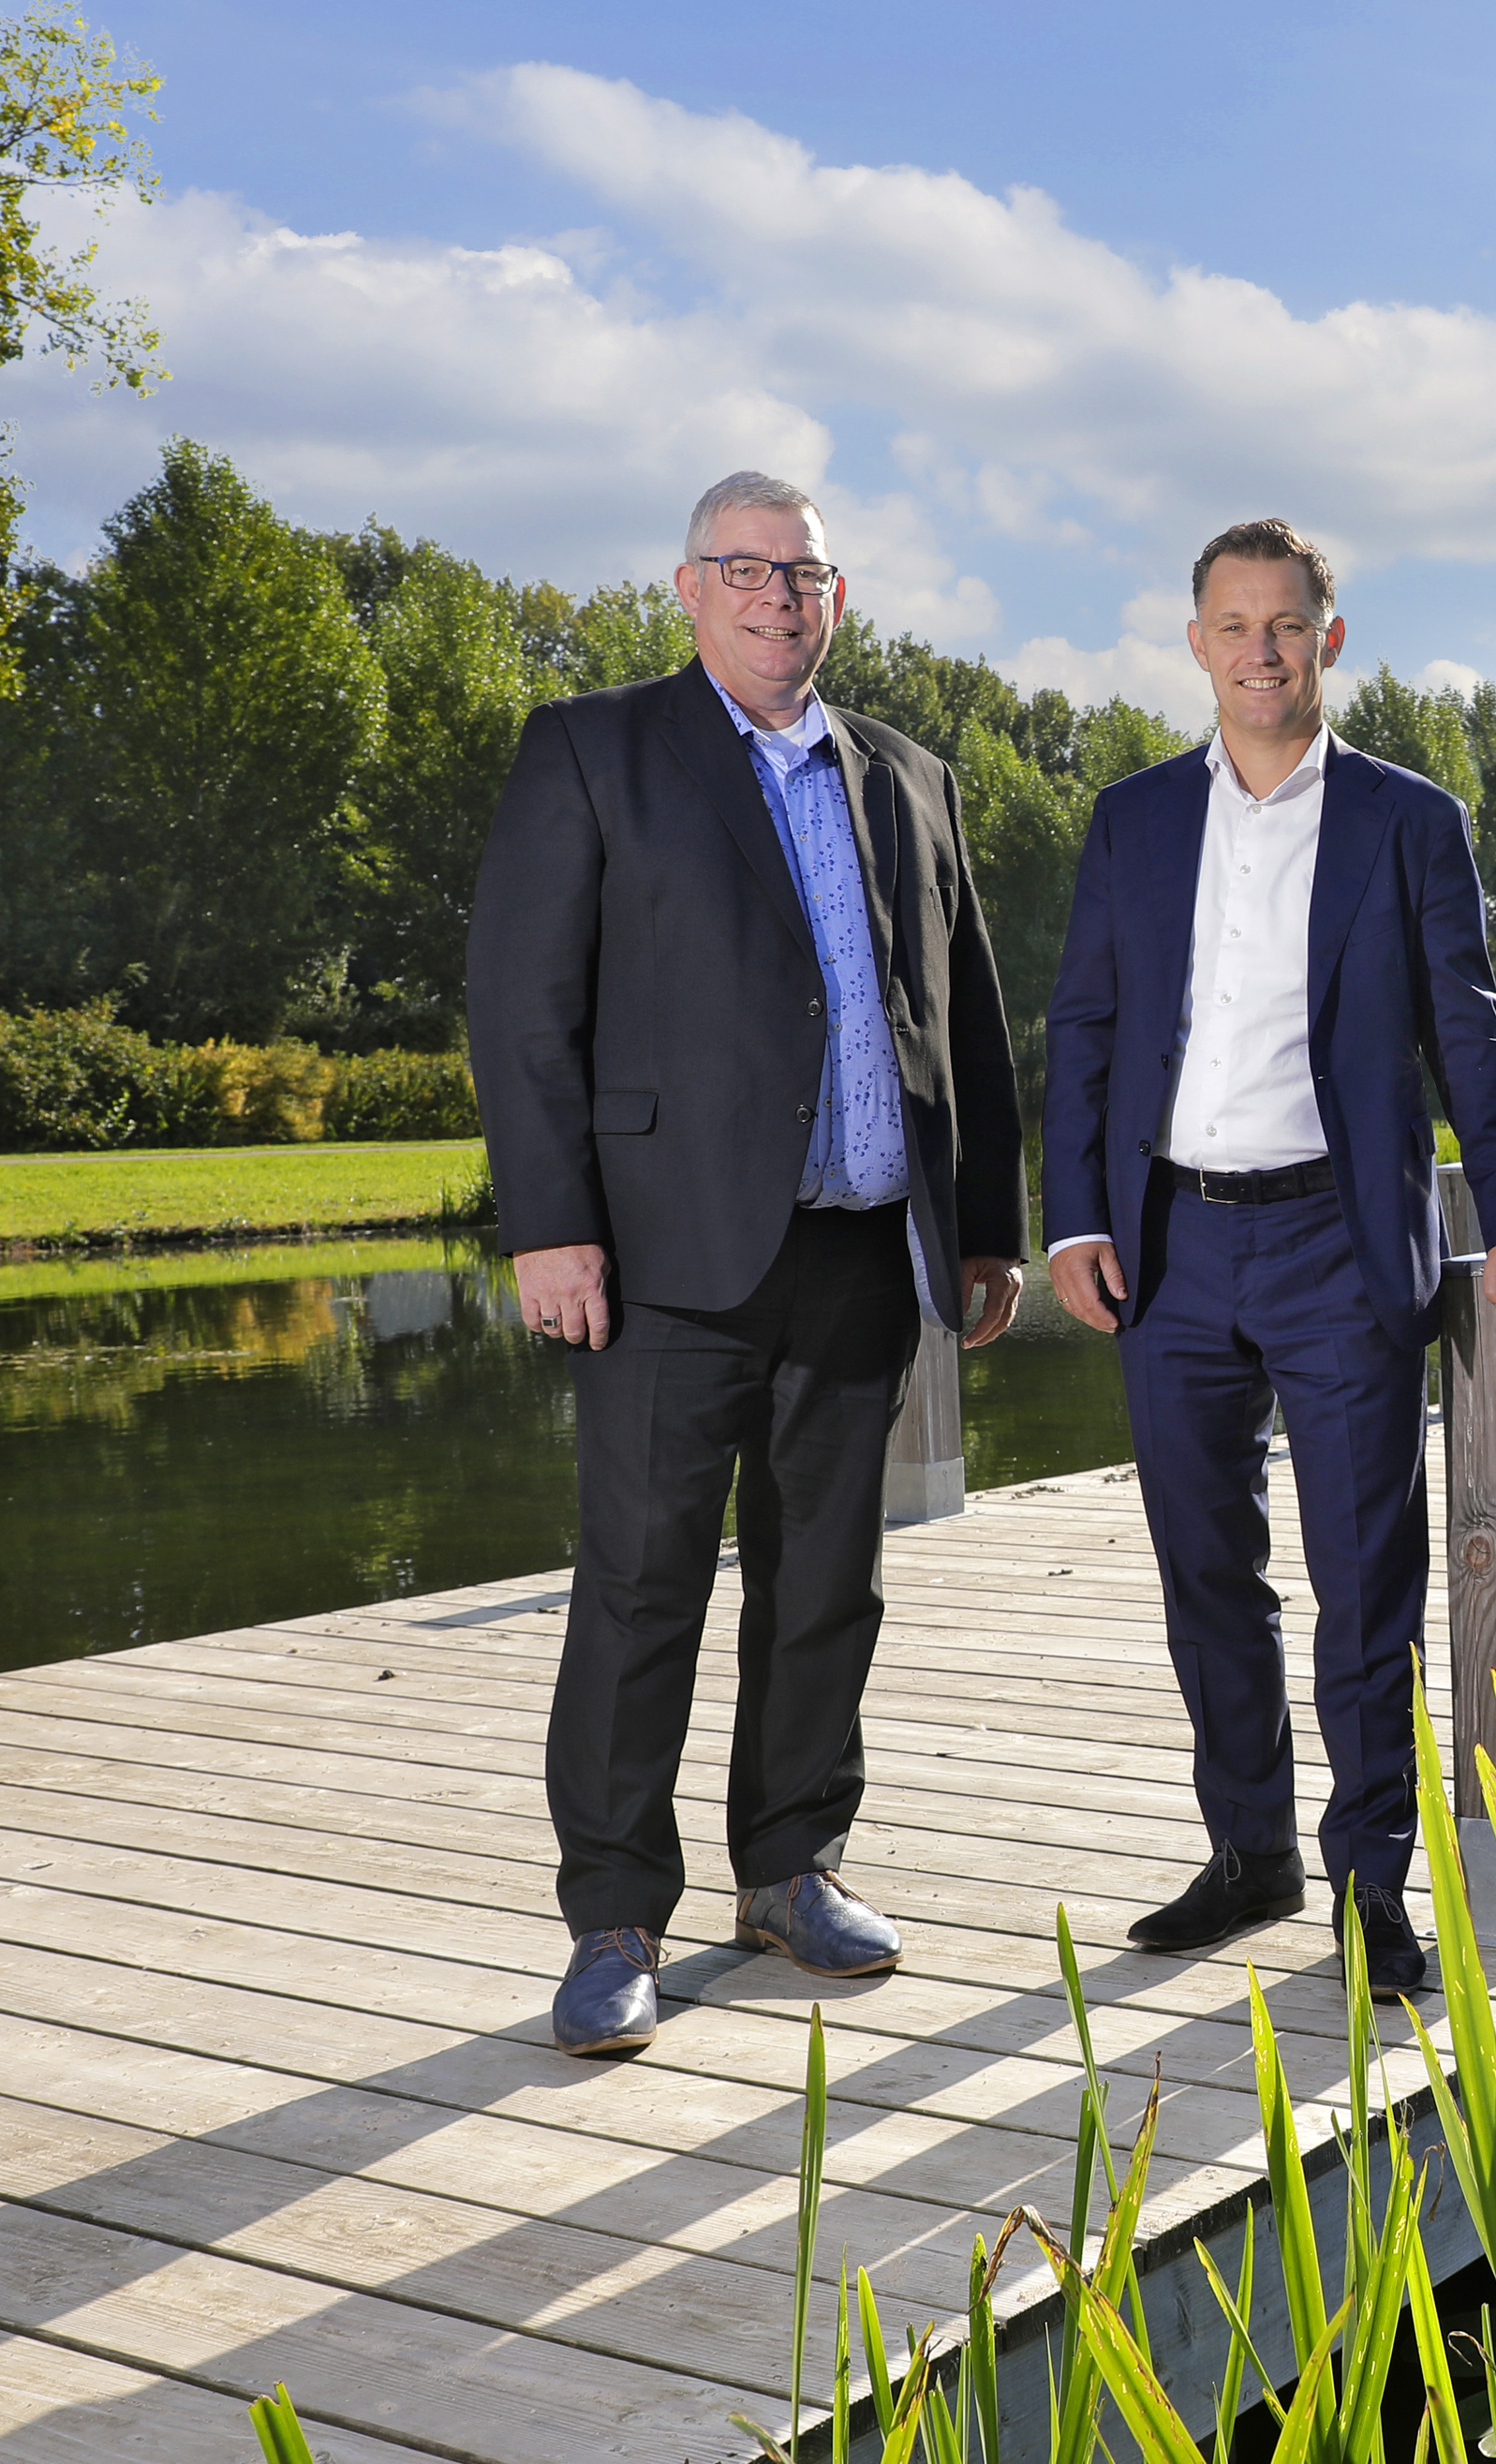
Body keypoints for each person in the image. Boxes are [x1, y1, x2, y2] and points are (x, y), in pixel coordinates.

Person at [468, 470, 1028, 2059]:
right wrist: (548, 1223)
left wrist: (980, 1218)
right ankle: (612, 1918)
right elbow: (521, 1010)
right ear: (689, 587)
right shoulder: (595, 752)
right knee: (641, 1586)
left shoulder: (908, 776)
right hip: (659, 1260)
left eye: (807, 571)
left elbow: (961, 1012)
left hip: (857, 1247)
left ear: (838, 597)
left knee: (824, 1583)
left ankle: (790, 1866)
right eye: (749, 567)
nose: (781, 594)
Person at [1042, 517, 1496, 1994]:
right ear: (1196, 640)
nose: (1260, 649)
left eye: (1288, 623)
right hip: (1167, 1250)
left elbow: (1468, 1031)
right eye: (1233, 623)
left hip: (1341, 1246)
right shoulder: (1133, 822)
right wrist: (1074, 1216)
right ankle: (1247, 1852)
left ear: (1328, 639)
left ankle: (1368, 1886)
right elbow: (1083, 1030)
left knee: (1365, 1585)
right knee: (1205, 1571)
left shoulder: (1410, 821)